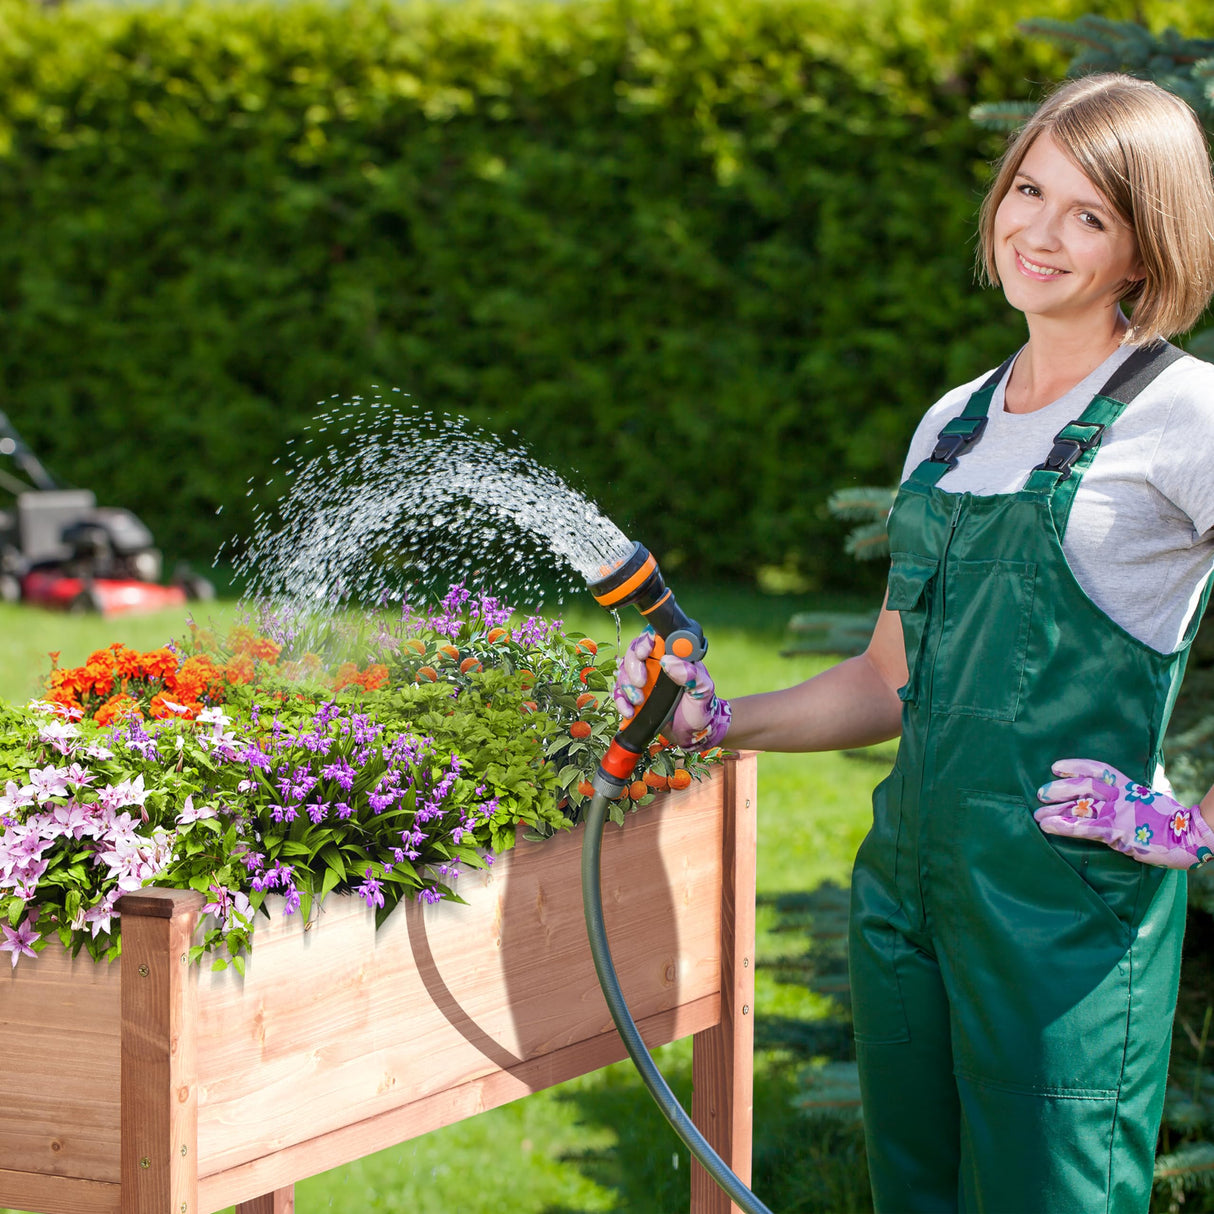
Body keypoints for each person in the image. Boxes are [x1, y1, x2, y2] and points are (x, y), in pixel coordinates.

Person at [613, 73, 1214, 1213]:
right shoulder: (953, 423)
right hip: (905, 900)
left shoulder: (1185, 416)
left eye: (1088, 214)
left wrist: (1188, 826)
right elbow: (887, 678)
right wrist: (710, 720)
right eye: (1027, 190)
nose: (1039, 232)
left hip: (1066, 919)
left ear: (1144, 247)